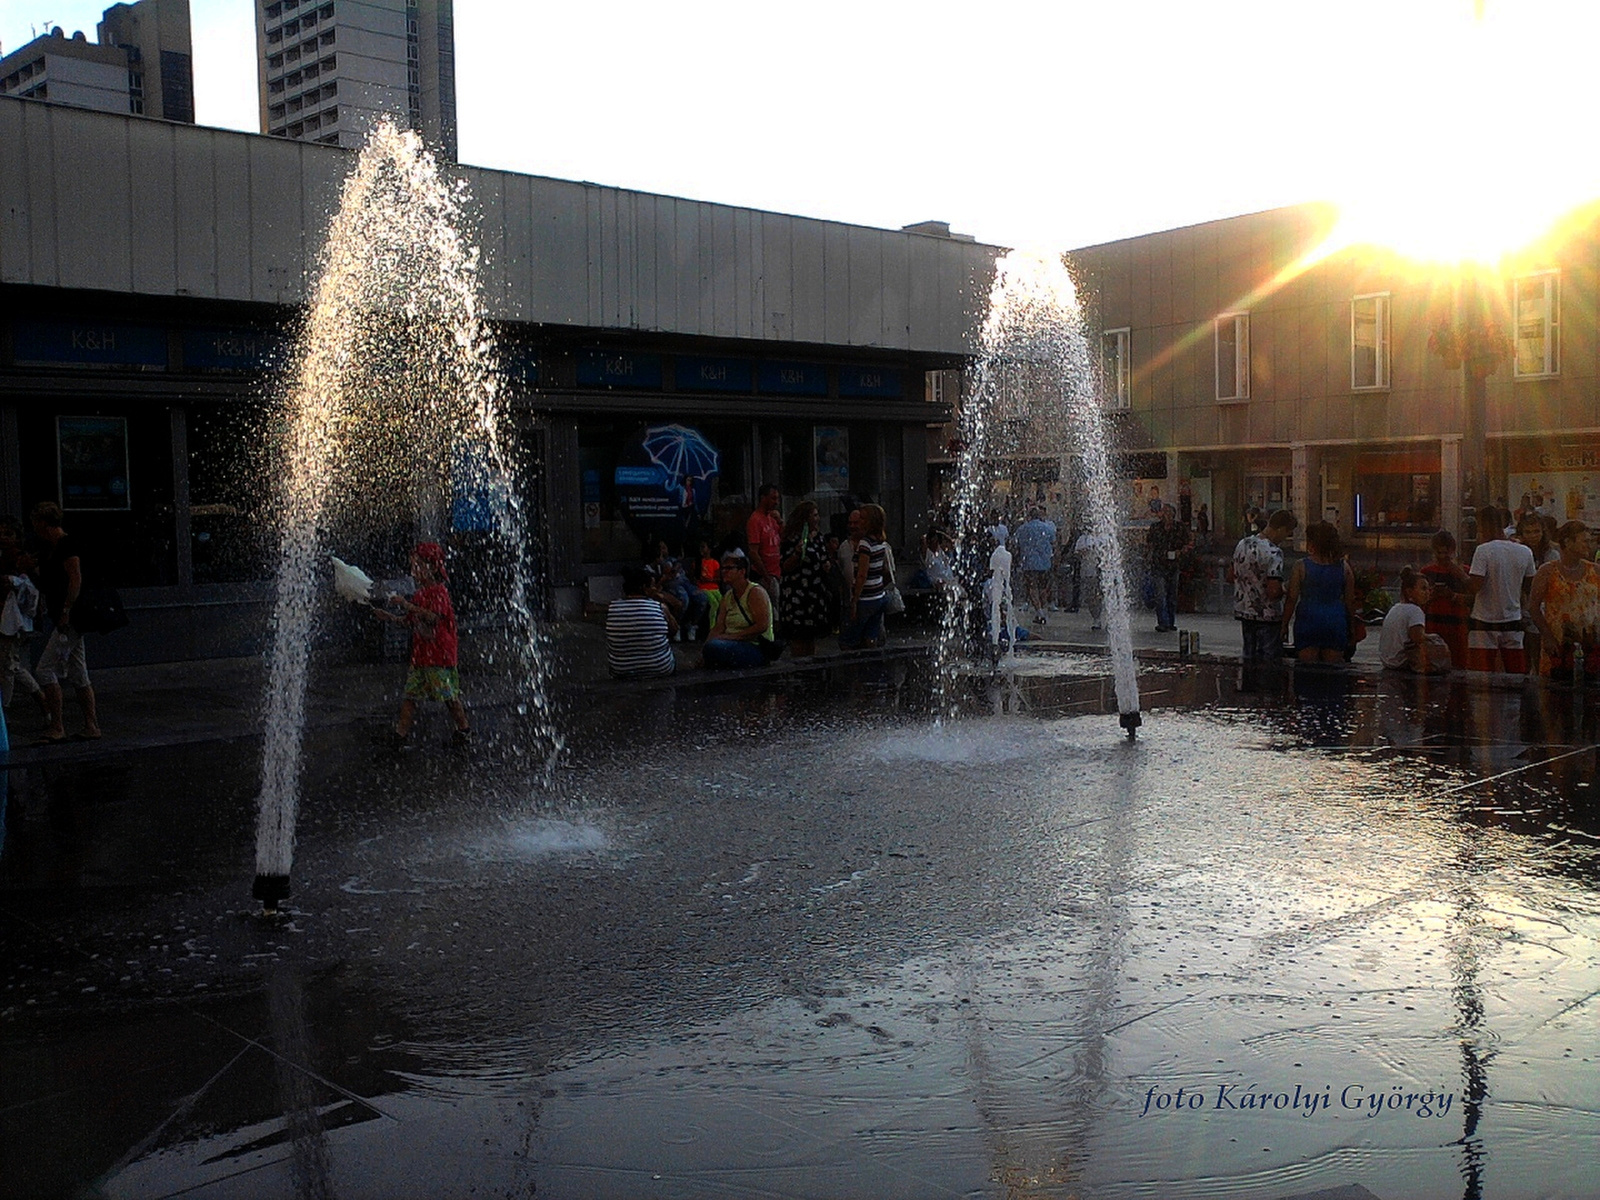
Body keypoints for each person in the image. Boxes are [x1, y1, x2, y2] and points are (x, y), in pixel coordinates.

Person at [373, 541, 470, 745]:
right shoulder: (419, 594)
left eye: (417, 565)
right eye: (412, 566)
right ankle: (400, 735)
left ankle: (463, 729)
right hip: (422, 655)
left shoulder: (438, 592)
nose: (413, 571)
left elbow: (433, 618)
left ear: (433, 567)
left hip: (439, 655)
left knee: (449, 697)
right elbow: (410, 621)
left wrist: (406, 604)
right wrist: (389, 617)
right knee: (411, 696)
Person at [29, 501, 100, 744]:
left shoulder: (67, 545)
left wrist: (66, 611)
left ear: (43, 523)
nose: (35, 528)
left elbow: (75, 579)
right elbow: (51, 582)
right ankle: (91, 725)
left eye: (36, 523)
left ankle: (57, 726)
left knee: (44, 669)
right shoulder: (52, 548)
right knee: (79, 672)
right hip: (65, 616)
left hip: (69, 618)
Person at [1466, 504, 1537, 673]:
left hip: (1483, 623)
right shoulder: (1524, 551)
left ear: (1482, 526)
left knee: (1480, 678)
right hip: (1513, 621)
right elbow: (1529, 587)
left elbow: (1474, 586)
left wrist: (1458, 573)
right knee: (1516, 674)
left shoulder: (1483, 551)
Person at [1528, 520, 1600, 680]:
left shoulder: (1595, 571)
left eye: (1590, 541)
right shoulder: (1547, 572)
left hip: (1591, 645)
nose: (1589, 545)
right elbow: (1533, 607)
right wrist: (1547, 636)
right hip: (1558, 644)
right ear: (1567, 542)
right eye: (1584, 541)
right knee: (1555, 692)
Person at [1283, 520, 1355, 664]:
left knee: (1307, 672)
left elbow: (1291, 598)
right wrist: (1352, 630)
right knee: (1333, 673)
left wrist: (1284, 625)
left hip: (1308, 620)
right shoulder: (1344, 568)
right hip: (1335, 620)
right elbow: (1349, 602)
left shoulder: (1301, 566)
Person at [1231, 509, 1297, 661]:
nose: (1285, 538)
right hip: (1267, 616)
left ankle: (1247, 684)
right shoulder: (1274, 552)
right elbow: (1273, 591)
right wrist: (1287, 587)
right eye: (1287, 533)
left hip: (1244, 612)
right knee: (1268, 665)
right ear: (1280, 529)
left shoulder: (1243, 544)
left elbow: (1230, 575)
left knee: (1249, 658)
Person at [0, 515, 44, 716]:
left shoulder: (20, 559)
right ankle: (41, 698)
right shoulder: (4, 557)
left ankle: (5, 708)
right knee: (11, 664)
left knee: (8, 666)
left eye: (8, 534)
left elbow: (30, 588)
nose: (3, 538)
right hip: (5, 616)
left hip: (12, 619)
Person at [703, 548, 776, 668]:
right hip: (730, 642)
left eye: (729, 568)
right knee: (711, 647)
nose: (724, 572)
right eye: (723, 568)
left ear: (742, 571)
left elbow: (762, 625)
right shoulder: (727, 597)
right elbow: (719, 626)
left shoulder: (755, 592)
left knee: (716, 648)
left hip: (753, 645)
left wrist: (732, 637)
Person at [779, 501, 833, 658]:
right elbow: (785, 566)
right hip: (797, 593)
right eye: (814, 515)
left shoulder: (818, 538)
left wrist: (827, 565)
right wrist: (797, 554)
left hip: (814, 593)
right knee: (798, 635)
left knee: (811, 635)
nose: (817, 519)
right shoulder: (792, 539)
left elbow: (824, 560)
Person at [604, 564, 677, 679]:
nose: (655, 588)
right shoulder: (659, 607)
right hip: (660, 667)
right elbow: (674, 630)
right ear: (644, 588)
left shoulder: (612, 608)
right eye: (652, 586)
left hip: (621, 670)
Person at [1379, 567, 1451, 672]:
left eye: (1428, 589)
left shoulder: (1396, 607)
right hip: (1400, 662)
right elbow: (1417, 637)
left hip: (1387, 660)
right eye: (1423, 589)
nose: (1427, 593)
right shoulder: (1415, 611)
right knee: (1437, 642)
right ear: (1409, 592)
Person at [840, 503, 891, 650]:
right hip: (878, 596)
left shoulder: (865, 544)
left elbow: (862, 573)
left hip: (865, 598)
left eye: (862, 518)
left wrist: (855, 599)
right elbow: (884, 570)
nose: (859, 521)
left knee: (849, 639)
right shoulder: (881, 543)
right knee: (870, 637)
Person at [1419, 530, 1471, 670]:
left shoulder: (1463, 572)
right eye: (1439, 553)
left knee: (1458, 664)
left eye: (1446, 553)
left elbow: (1473, 599)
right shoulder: (1426, 572)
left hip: (1457, 624)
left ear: (1452, 551)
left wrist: (1452, 595)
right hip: (1433, 623)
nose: (1442, 557)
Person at [1146, 503, 1190, 633]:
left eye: (1167, 512)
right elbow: (1149, 543)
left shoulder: (1179, 528)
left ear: (1172, 514)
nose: (1164, 515)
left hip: (1173, 565)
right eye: (1163, 512)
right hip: (1158, 564)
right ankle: (1162, 622)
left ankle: (1170, 622)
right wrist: (1149, 555)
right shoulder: (1155, 528)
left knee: (1171, 594)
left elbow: (1187, 543)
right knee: (1160, 595)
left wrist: (1180, 552)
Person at [1014, 506, 1057, 622]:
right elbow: (1054, 543)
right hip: (1044, 563)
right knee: (1043, 588)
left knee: (1032, 587)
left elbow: (1016, 545)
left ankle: (1039, 611)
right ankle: (1042, 609)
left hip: (1029, 562)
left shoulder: (1023, 529)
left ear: (1029, 516)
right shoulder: (1047, 528)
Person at [745, 484, 783, 608]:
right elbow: (753, 552)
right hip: (765, 575)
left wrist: (780, 522)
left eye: (777, 499)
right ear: (763, 498)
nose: (776, 502)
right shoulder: (755, 520)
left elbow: (784, 538)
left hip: (776, 572)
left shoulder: (772, 518)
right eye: (773, 498)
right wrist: (766, 577)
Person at [1073, 528, 1107, 630]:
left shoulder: (1104, 537)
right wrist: (1082, 553)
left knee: (1103, 595)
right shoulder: (1083, 538)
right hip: (1089, 571)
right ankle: (1096, 618)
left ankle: (1108, 617)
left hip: (1102, 571)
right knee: (1092, 596)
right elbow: (1076, 553)